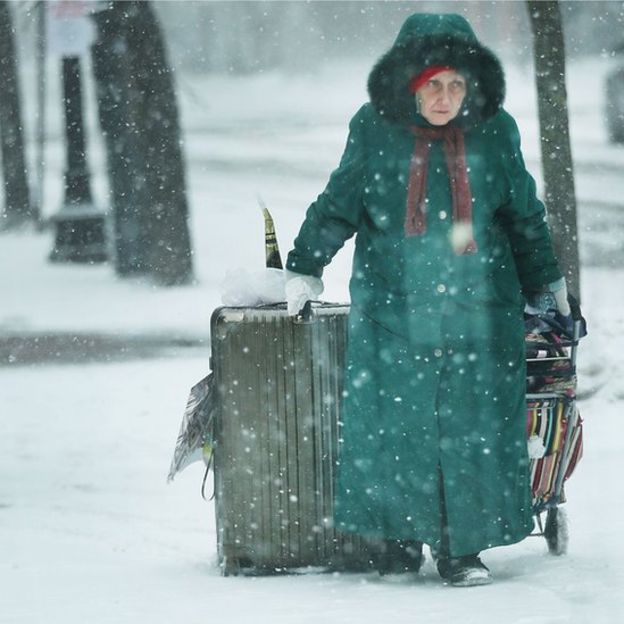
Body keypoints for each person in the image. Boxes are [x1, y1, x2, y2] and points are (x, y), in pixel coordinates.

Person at [284, 12, 572, 587]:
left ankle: (462, 547)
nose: (444, 97)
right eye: (432, 84)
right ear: (409, 82)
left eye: (456, 85)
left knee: (474, 427)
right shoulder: (374, 127)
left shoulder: (497, 129)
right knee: (398, 425)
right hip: (395, 305)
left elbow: (523, 214)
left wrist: (545, 279)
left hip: (480, 308)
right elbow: (339, 200)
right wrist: (305, 266)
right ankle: (398, 537)